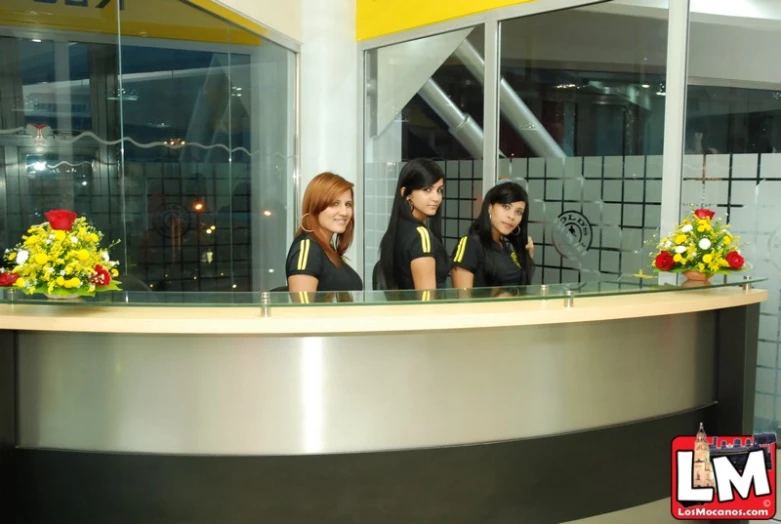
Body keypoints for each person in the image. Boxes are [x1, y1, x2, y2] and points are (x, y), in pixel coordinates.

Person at [378, 158, 451, 290]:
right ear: (406, 193)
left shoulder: (396, 230)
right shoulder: (421, 236)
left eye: (439, 190)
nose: (436, 198)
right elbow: (426, 299)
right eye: (427, 189)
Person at [285, 172, 363, 292]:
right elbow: (301, 308)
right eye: (335, 203)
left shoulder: (327, 249)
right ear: (315, 206)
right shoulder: (307, 248)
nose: (344, 212)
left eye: (348, 204)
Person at [451, 181, 535, 288]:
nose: (512, 216)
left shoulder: (505, 248)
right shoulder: (470, 244)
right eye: (506, 207)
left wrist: (527, 258)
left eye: (518, 212)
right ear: (490, 207)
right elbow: (462, 300)